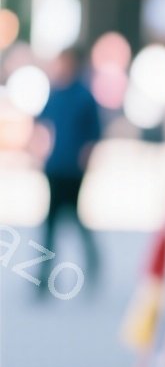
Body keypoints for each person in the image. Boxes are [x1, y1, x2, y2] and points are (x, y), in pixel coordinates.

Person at [35, 48, 101, 294]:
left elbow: (94, 134)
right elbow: (41, 125)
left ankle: (93, 263)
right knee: (50, 223)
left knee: (76, 220)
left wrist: (85, 160)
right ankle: (43, 276)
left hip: (73, 169)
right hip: (55, 166)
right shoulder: (55, 93)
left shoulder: (84, 96)